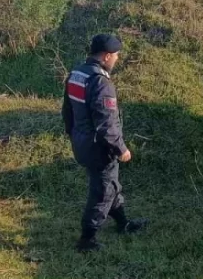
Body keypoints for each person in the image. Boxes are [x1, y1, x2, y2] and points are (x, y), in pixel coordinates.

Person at [61, 33, 147, 252]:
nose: (117, 59)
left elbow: (67, 111)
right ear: (107, 56)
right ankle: (87, 239)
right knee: (103, 192)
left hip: (81, 142)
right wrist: (121, 148)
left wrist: (73, 135)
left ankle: (122, 223)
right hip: (100, 148)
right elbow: (107, 123)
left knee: (110, 185)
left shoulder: (77, 74)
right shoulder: (100, 82)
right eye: (116, 55)